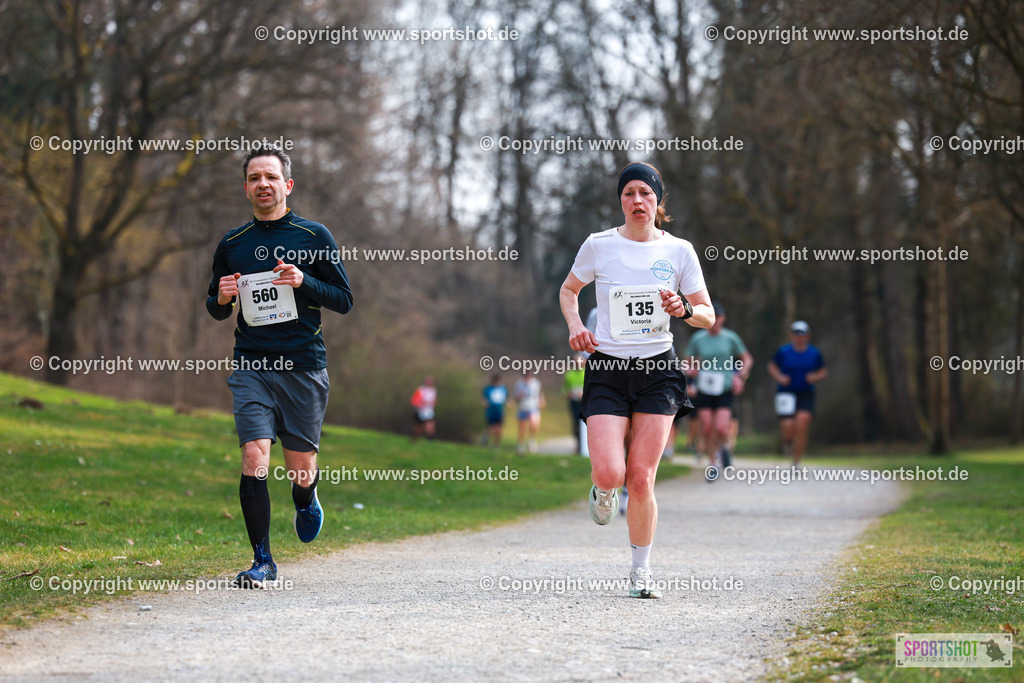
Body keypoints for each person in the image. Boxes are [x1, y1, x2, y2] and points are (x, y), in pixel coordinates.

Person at [559, 161, 713, 598]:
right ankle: (603, 489)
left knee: (641, 478)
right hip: (607, 368)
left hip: (657, 369)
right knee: (611, 472)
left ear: (658, 201)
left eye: (645, 193)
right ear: (620, 200)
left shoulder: (679, 251)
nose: (637, 201)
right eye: (629, 193)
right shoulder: (599, 245)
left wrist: (682, 308)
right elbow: (568, 290)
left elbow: (708, 314)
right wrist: (575, 325)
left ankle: (640, 571)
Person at [206, 143, 353, 588]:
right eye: (254, 178)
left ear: (287, 185)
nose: (262, 185)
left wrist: (304, 280)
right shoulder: (232, 244)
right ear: (246, 188)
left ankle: (306, 497)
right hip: (251, 364)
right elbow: (214, 307)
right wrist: (223, 297)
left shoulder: (313, 237)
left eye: (271, 177)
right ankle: (262, 560)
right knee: (254, 457)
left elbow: (344, 300)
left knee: (299, 468)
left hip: (303, 367)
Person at [684, 303, 753, 480]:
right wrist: (690, 372)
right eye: (712, 317)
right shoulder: (698, 338)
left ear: (723, 318)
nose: (715, 321)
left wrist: (741, 376)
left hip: (724, 388)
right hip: (704, 388)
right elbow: (687, 362)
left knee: (722, 428)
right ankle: (713, 463)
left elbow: (746, 359)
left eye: (718, 317)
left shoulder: (731, 338)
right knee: (707, 429)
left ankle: (724, 448)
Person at [768, 320, 827, 465]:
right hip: (786, 393)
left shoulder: (814, 353)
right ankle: (788, 441)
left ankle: (796, 460)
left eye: (802, 334)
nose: (799, 337)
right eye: (796, 334)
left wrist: (814, 377)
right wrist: (780, 377)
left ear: (808, 336)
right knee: (788, 426)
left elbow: (823, 371)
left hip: (805, 392)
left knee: (802, 423)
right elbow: (772, 366)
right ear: (792, 336)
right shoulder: (784, 352)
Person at [513, 371, 545, 454]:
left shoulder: (536, 383)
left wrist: (542, 400)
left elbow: (539, 393)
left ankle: (531, 439)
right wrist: (519, 396)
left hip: (533, 407)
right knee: (522, 428)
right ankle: (521, 445)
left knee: (534, 424)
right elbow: (515, 396)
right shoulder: (519, 384)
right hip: (523, 407)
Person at [563, 354, 586, 454]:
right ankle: (578, 446)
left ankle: (586, 447)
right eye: (577, 362)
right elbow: (564, 390)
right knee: (576, 424)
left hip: (586, 403)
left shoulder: (588, 373)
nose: (578, 364)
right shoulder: (569, 374)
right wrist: (568, 393)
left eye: (580, 362)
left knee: (587, 424)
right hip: (574, 402)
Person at [480, 373, 508, 447]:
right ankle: (485, 436)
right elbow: (483, 398)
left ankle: (495, 444)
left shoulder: (503, 389)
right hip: (491, 411)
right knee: (492, 427)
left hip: (500, 411)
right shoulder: (488, 389)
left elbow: (506, 399)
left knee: (499, 429)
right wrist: (484, 403)